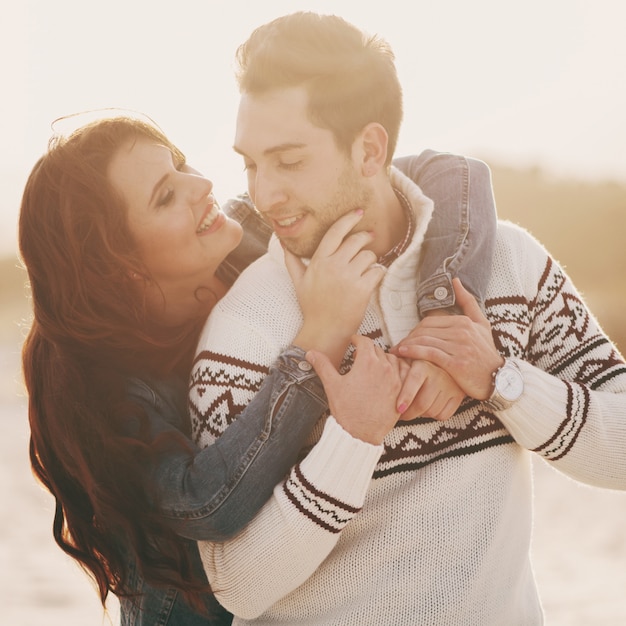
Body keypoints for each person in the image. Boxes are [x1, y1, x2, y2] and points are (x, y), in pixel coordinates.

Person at [189, 11, 626, 625]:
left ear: (370, 148)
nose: (264, 195)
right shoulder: (248, 326)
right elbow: (236, 583)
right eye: (251, 165)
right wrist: (354, 438)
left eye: (288, 161)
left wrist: (503, 382)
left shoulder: (509, 266)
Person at [18, 110, 496, 625]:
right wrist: (318, 340)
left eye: (179, 165)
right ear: (120, 263)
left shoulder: (247, 232)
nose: (200, 184)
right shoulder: (104, 390)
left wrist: (443, 322)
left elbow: (454, 174)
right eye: (164, 196)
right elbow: (205, 506)